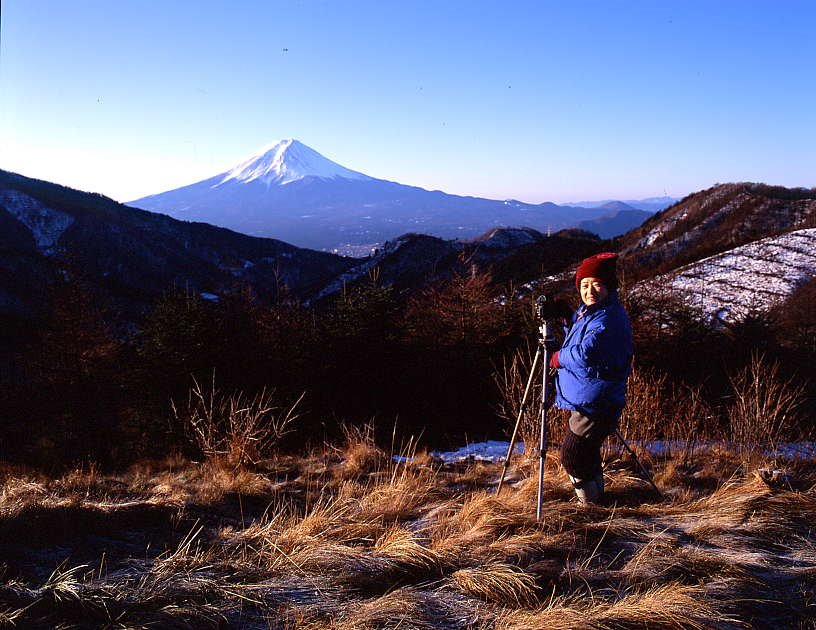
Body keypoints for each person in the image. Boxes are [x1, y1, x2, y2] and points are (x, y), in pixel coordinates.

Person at [550, 252, 633, 504]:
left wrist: (557, 358)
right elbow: (581, 333)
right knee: (585, 451)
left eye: (596, 284)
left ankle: (591, 507)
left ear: (609, 286)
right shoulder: (593, 311)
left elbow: (586, 351)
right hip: (591, 396)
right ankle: (598, 499)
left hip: (598, 401)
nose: (589, 290)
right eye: (584, 285)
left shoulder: (608, 318)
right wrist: (567, 318)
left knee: (573, 456)